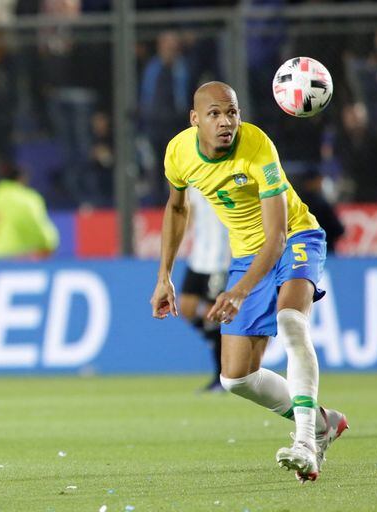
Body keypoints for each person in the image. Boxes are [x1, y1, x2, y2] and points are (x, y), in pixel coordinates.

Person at [150, 82, 348, 482]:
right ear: (195, 120)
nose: (226, 122)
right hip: (246, 256)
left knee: (292, 322)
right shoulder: (178, 152)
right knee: (236, 378)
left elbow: (276, 237)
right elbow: (176, 207)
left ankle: (307, 442)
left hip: (295, 237)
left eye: (232, 113)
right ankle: (325, 422)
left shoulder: (257, 146)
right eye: (215, 114)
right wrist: (164, 276)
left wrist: (238, 291)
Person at [178, 188, 230, 392]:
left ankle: (221, 377)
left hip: (220, 260)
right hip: (197, 258)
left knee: (212, 315)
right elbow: (188, 212)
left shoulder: (224, 178)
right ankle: (215, 341)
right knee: (187, 308)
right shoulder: (191, 180)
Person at [0, 161, 59, 260]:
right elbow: (38, 226)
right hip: (21, 259)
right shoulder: (27, 199)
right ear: (21, 178)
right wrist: (49, 245)